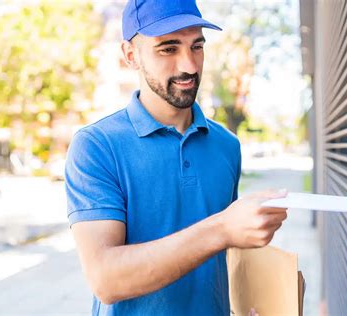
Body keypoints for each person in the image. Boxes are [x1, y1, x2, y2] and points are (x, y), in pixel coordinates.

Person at [64, 0, 288, 315]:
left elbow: (227, 256)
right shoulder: (97, 146)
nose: (190, 66)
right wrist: (222, 228)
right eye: (168, 49)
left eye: (197, 47)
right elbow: (106, 279)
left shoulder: (227, 145)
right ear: (131, 55)